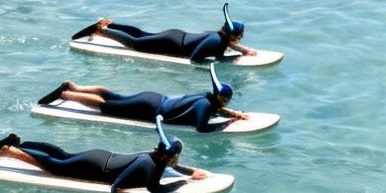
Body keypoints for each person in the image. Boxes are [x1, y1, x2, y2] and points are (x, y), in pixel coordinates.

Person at [0, 118, 212, 193]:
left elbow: (170, 167)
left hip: (99, 156)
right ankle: (10, 151)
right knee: (56, 166)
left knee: (62, 155)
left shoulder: (153, 157)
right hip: (95, 168)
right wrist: (183, 182)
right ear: (166, 156)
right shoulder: (150, 166)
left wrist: (189, 172)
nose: (177, 160)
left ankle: (21, 142)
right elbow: (145, 188)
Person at [40, 63, 250, 131]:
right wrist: (227, 122)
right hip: (151, 110)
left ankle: (76, 87)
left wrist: (231, 113)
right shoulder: (205, 106)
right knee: (109, 107)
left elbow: (211, 107)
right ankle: (67, 94)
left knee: (116, 97)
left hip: (154, 98)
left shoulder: (206, 96)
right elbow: (202, 128)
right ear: (221, 98)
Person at [79, 3, 254, 64]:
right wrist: (229, 58)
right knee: (135, 43)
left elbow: (220, 43)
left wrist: (242, 50)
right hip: (172, 44)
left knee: (142, 34)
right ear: (233, 35)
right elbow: (195, 58)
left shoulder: (218, 36)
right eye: (240, 35)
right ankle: (102, 31)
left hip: (175, 35)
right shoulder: (216, 43)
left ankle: (110, 23)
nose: (240, 37)